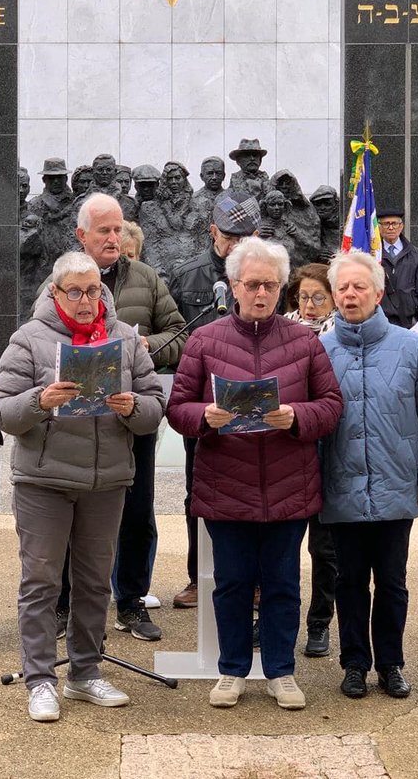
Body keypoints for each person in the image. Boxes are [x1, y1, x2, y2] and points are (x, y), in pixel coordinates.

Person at [0, 252, 165, 723]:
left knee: (92, 582)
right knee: (41, 582)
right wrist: (39, 401)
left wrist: (132, 408)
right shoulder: (28, 339)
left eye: (93, 291)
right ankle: (40, 679)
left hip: (106, 481)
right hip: (44, 481)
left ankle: (84, 674)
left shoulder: (126, 339)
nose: (86, 300)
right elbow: (0, 410)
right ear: (55, 293)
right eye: (75, 292)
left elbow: (155, 407)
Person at [168, 238, 343, 711]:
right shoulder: (205, 340)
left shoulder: (305, 341)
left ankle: (282, 671)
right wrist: (205, 416)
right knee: (232, 583)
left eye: (269, 284)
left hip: (289, 484)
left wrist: (298, 417)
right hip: (226, 483)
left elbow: (331, 406)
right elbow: (177, 408)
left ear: (281, 288)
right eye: (251, 284)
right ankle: (231, 670)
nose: (260, 293)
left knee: (284, 582)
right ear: (233, 287)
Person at [320, 251, 418, 700]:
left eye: (359, 287)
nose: (350, 294)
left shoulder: (411, 347)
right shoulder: (319, 351)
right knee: (349, 580)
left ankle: (391, 664)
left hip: (398, 484)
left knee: (392, 581)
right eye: (342, 288)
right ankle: (354, 663)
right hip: (340, 484)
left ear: (379, 293)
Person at [69, 194, 185, 644]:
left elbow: (180, 335)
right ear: (83, 236)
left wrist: (144, 346)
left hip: (131, 416)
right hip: (78, 421)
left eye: (118, 229)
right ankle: (65, 604)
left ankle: (132, 601)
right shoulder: (61, 278)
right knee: (72, 513)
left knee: (137, 512)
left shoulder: (147, 279)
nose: (114, 238)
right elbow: (41, 335)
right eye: (104, 231)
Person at [166, 193, 261, 609]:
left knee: (259, 489)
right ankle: (198, 576)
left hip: (259, 401)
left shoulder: (269, 273)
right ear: (212, 233)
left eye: (245, 237)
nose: (237, 245)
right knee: (198, 490)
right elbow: (172, 335)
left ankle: (254, 581)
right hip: (205, 407)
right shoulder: (188, 276)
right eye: (229, 237)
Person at [283, 262, 336, 658]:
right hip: (286, 448)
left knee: (325, 548)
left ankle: (319, 623)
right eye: (304, 297)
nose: (311, 305)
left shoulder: (342, 336)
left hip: (327, 449)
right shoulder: (279, 332)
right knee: (280, 547)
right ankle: (270, 619)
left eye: (319, 297)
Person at [377, 208, 418, 336]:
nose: (391, 228)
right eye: (386, 224)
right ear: (379, 227)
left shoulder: (416, 256)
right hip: (379, 323)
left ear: (401, 226)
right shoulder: (372, 255)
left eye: (394, 223)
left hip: (409, 324)